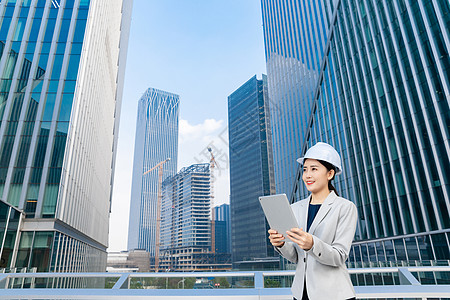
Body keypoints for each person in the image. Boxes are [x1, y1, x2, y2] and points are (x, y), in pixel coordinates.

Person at [268, 142, 357, 300]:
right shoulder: (295, 208)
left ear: (330, 174)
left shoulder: (345, 207)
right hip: (301, 293)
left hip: (333, 295)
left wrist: (312, 244)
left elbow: (340, 256)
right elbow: (297, 257)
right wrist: (281, 244)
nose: (307, 175)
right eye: (305, 169)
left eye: (314, 169)